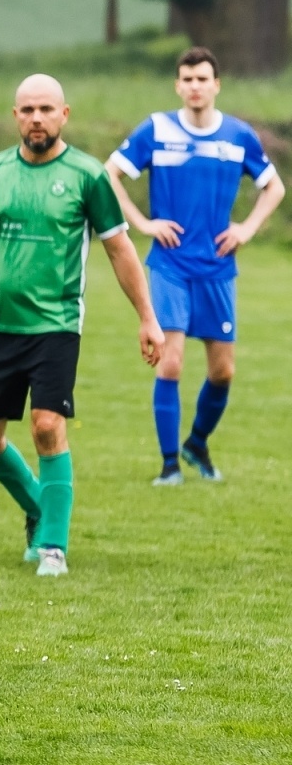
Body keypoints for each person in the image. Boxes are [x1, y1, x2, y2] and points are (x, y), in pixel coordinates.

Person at [0, 74, 164, 578]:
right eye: (27, 110)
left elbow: (120, 249)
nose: (36, 118)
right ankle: (40, 507)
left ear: (64, 114)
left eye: (46, 109)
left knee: (47, 426)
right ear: (15, 116)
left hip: (58, 324)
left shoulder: (87, 175)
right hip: (1, 324)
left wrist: (147, 317)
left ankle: (52, 549)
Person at [105, 46, 284, 485]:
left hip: (218, 267)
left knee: (223, 371)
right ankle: (169, 466)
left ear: (216, 85)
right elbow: (108, 174)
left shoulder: (238, 136)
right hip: (169, 265)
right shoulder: (157, 130)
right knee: (171, 362)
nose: (195, 86)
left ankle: (196, 444)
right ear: (177, 86)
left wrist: (246, 229)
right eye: (187, 79)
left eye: (202, 79)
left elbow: (274, 187)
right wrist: (143, 223)